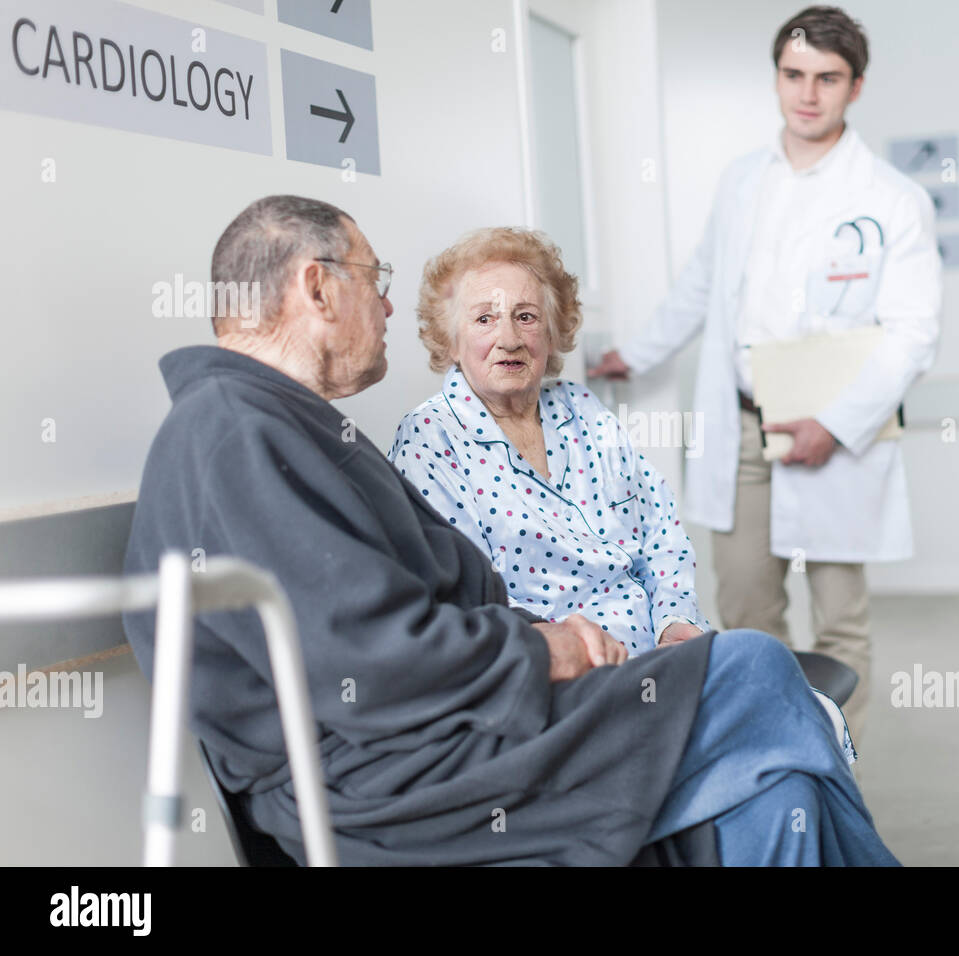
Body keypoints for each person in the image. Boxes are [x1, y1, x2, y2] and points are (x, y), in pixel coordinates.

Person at [121, 194, 900, 866]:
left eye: (525, 316)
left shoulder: (286, 426)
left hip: (442, 736)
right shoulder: (233, 434)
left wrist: (562, 631)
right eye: (375, 281)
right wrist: (542, 644)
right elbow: (368, 658)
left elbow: (440, 598)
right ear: (318, 288)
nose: (386, 306)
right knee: (757, 671)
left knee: (779, 790)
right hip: (399, 778)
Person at [587, 5, 942, 747]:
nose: (807, 93)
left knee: (841, 618)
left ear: (856, 86)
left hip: (837, 429)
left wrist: (834, 425)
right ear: (777, 78)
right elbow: (701, 285)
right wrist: (637, 354)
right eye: (793, 75)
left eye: (827, 79)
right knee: (747, 608)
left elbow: (914, 335)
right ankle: (774, 766)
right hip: (743, 425)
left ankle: (837, 772)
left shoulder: (892, 199)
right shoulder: (742, 181)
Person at [388, 226, 856, 760]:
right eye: (484, 318)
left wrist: (677, 620)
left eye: (525, 315)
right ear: (449, 339)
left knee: (780, 710)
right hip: (568, 683)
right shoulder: (430, 441)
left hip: (663, 653)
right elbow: (468, 600)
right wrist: (577, 651)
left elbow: (660, 531)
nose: (510, 338)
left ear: (553, 328)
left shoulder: (582, 409)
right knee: (776, 731)